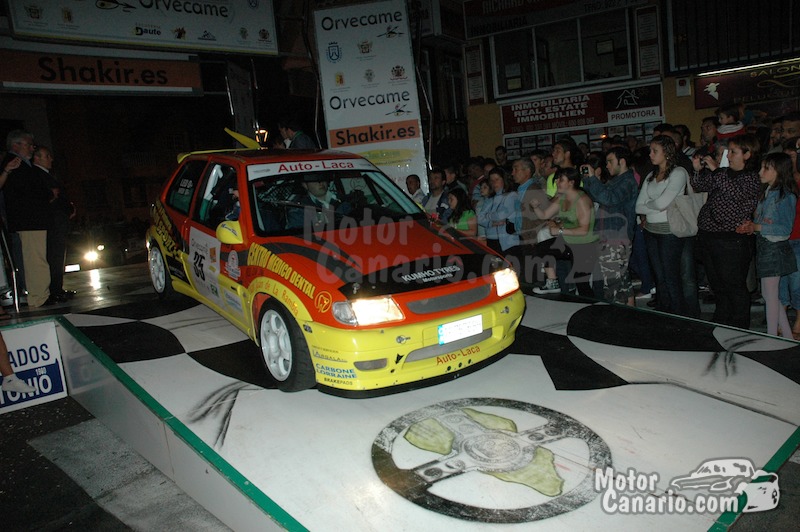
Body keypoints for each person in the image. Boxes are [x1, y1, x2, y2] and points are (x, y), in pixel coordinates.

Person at [691, 134, 761, 329]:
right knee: (717, 285)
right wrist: (697, 170)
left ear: (747, 154)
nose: (728, 156)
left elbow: (736, 194)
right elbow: (699, 185)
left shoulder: (751, 177)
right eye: (728, 152)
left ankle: (739, 327)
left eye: (733, 152)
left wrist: (716, 169)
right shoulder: (723, 173)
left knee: (734, 285)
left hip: (731, 241)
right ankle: (722, 322)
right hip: (709, 236)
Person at [736, 152, 798, 338]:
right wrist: (752, 227)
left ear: (779, 171)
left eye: (766, 168)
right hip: (765, 246)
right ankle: (786, 336)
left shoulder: (786, 196)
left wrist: (757, 227)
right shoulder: (767, 192)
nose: (760, 172)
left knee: (770, 296)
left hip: (775, 249)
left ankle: (771, 337)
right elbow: (762, 221)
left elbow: (785, 228)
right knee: (770, 295)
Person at [635, 135, 689, 315]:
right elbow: (638, 206)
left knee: (670, 275)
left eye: (654, 151)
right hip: (650, 230)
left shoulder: (678, 173)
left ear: (666, 152)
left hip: (669, 231)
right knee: (659, 276)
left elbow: (662, 202)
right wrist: (655, 206)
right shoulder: (651, 176)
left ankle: (678, 313)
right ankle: (664, 311)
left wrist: (650, 205)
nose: (650, 154)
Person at [1, 130, 55, 308]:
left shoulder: (22, 164)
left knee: (37, 259)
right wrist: (48, 194)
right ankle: (39, 296)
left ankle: (41, 294)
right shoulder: (13, 163)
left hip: (32, 219)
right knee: (35, 260)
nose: (32, 148)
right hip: (28, 220)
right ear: (16, 145)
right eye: (29, 145)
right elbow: (29, 191)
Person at [529, 167, 598, 297]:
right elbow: (544, 215)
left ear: (571, 182)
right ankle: (553, 282)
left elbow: (584, 230)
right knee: (541, 248)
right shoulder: (562, 198)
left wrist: (560, 230)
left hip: (585, 246)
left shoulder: (582, 200)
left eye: (561, 180)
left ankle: (594, 305)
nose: (557, 182)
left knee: (582, 284)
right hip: (569, 242)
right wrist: (536, 207)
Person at [583, 147, 639, 305]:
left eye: (610, 161)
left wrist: (593, 179)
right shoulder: (616, 181)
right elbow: (595, 196)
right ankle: (629, 315)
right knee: (622, 282)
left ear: (622, 162)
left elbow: (609, 199)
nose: (607, 165)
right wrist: (588, 179)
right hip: (609, 237)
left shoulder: (627, 182)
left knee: (613, 285)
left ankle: (616, 316)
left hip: (616, 238)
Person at [33, 146, 76, 301]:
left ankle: (57, 288)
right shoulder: (37, 175)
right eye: (47, 156)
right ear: (37, 158)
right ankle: (54, 290)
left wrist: (69, 208)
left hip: (58, 221)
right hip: (53, 223)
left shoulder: (47, 175)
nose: (50, 159)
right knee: (54, 256)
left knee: (58, 256)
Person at [477, 167, 519, 255]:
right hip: (491, 240)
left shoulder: (511, 195)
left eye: (497, 179)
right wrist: (491, 223)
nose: (494, 183)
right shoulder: (489, 199)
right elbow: (480, 219)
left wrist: (487, 216)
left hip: (507, 241)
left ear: (503, 180)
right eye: (491, 180)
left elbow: (501, 215)